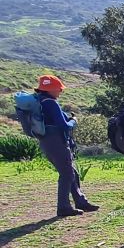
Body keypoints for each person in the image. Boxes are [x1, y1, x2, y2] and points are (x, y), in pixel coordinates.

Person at [34, 75, 99, 217]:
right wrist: (73, 121)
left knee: (72, 172)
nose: (60, 91)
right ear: (50, 89)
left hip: (47, 142)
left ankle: (81, 201)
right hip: (56, 142)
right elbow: (64, 126)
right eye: (58, 89)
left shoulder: (39, 102)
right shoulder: (50, 103)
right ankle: (63, 207)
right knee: (67, 173)